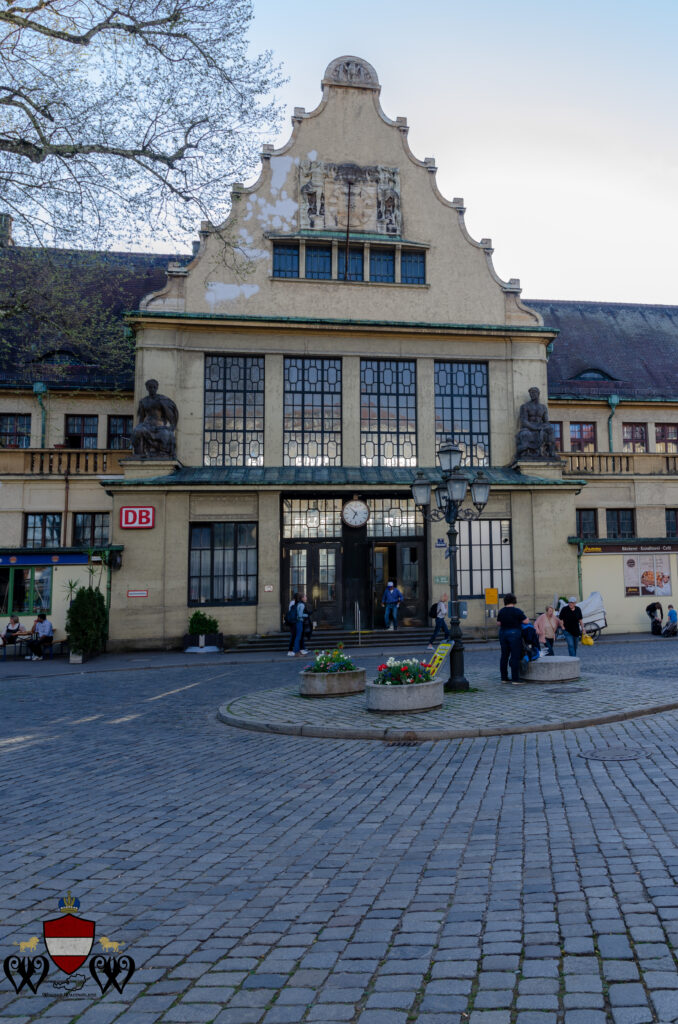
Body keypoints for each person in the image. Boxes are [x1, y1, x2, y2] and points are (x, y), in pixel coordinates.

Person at [497, 593, 529, 684]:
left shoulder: (501, 611)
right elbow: (526, 621)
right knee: (515, 656)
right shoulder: (517, 611)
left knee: (504, 656)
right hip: (514, 634)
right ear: (514, 601)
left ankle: (504, 678)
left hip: (503, 633)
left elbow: (498, 623)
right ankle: (515, 679)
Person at [292, 593, 309, 657]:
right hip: (299, 622)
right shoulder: (302, 605)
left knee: (298, 637)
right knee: (298, 637)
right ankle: (296, 652)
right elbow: (299, 615)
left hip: (297, 622)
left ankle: (297, 651)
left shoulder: (299, 604)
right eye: (305, 597)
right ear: (302, 598)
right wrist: (306, 615)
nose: (306, 598)